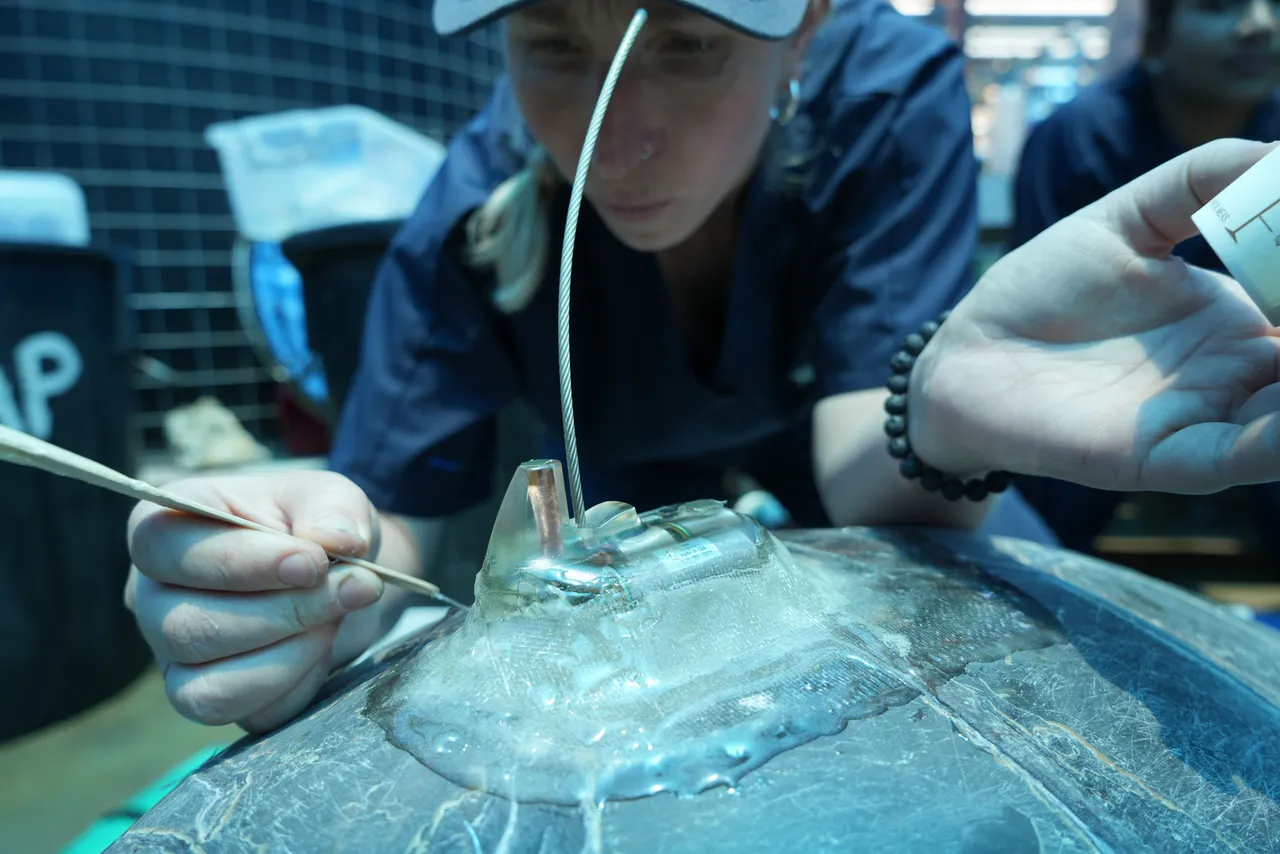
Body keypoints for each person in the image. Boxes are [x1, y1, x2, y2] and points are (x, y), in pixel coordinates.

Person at [122, 0, 1280, 735]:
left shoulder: (886, 94)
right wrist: (293, 579)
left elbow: (856, 467)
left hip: (873, 494)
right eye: (551, 46)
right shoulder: (471, 199)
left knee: (1049, 681)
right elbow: (398, 525)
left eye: (684, 44)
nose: (613, 137)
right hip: (619, 508)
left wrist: (935, 414)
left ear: (809, 24)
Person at [1010, 0, 1280, 552]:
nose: (1260, 25)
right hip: (1106, 364)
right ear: (1156, 36)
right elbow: (1045, 310)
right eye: (1219, 6)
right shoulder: (1077, 135)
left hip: (1256, 369)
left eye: (1275, 5)